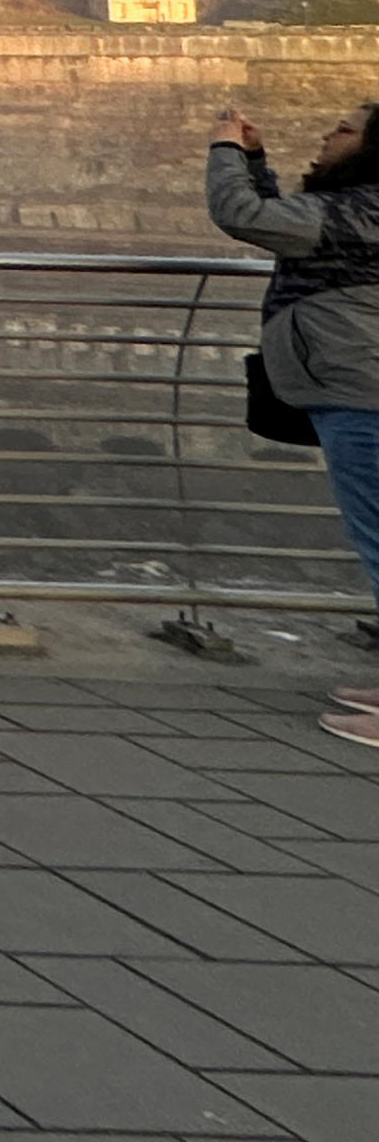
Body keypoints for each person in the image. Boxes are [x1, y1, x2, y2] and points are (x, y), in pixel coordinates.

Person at [211, 98, 379, 749]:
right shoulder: (357, 210)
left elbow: (244, 217)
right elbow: (291, 223)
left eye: (344, 129)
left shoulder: (366, 209)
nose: (329, 134)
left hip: (365, 397)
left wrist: (225, 151)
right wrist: (255, 161)